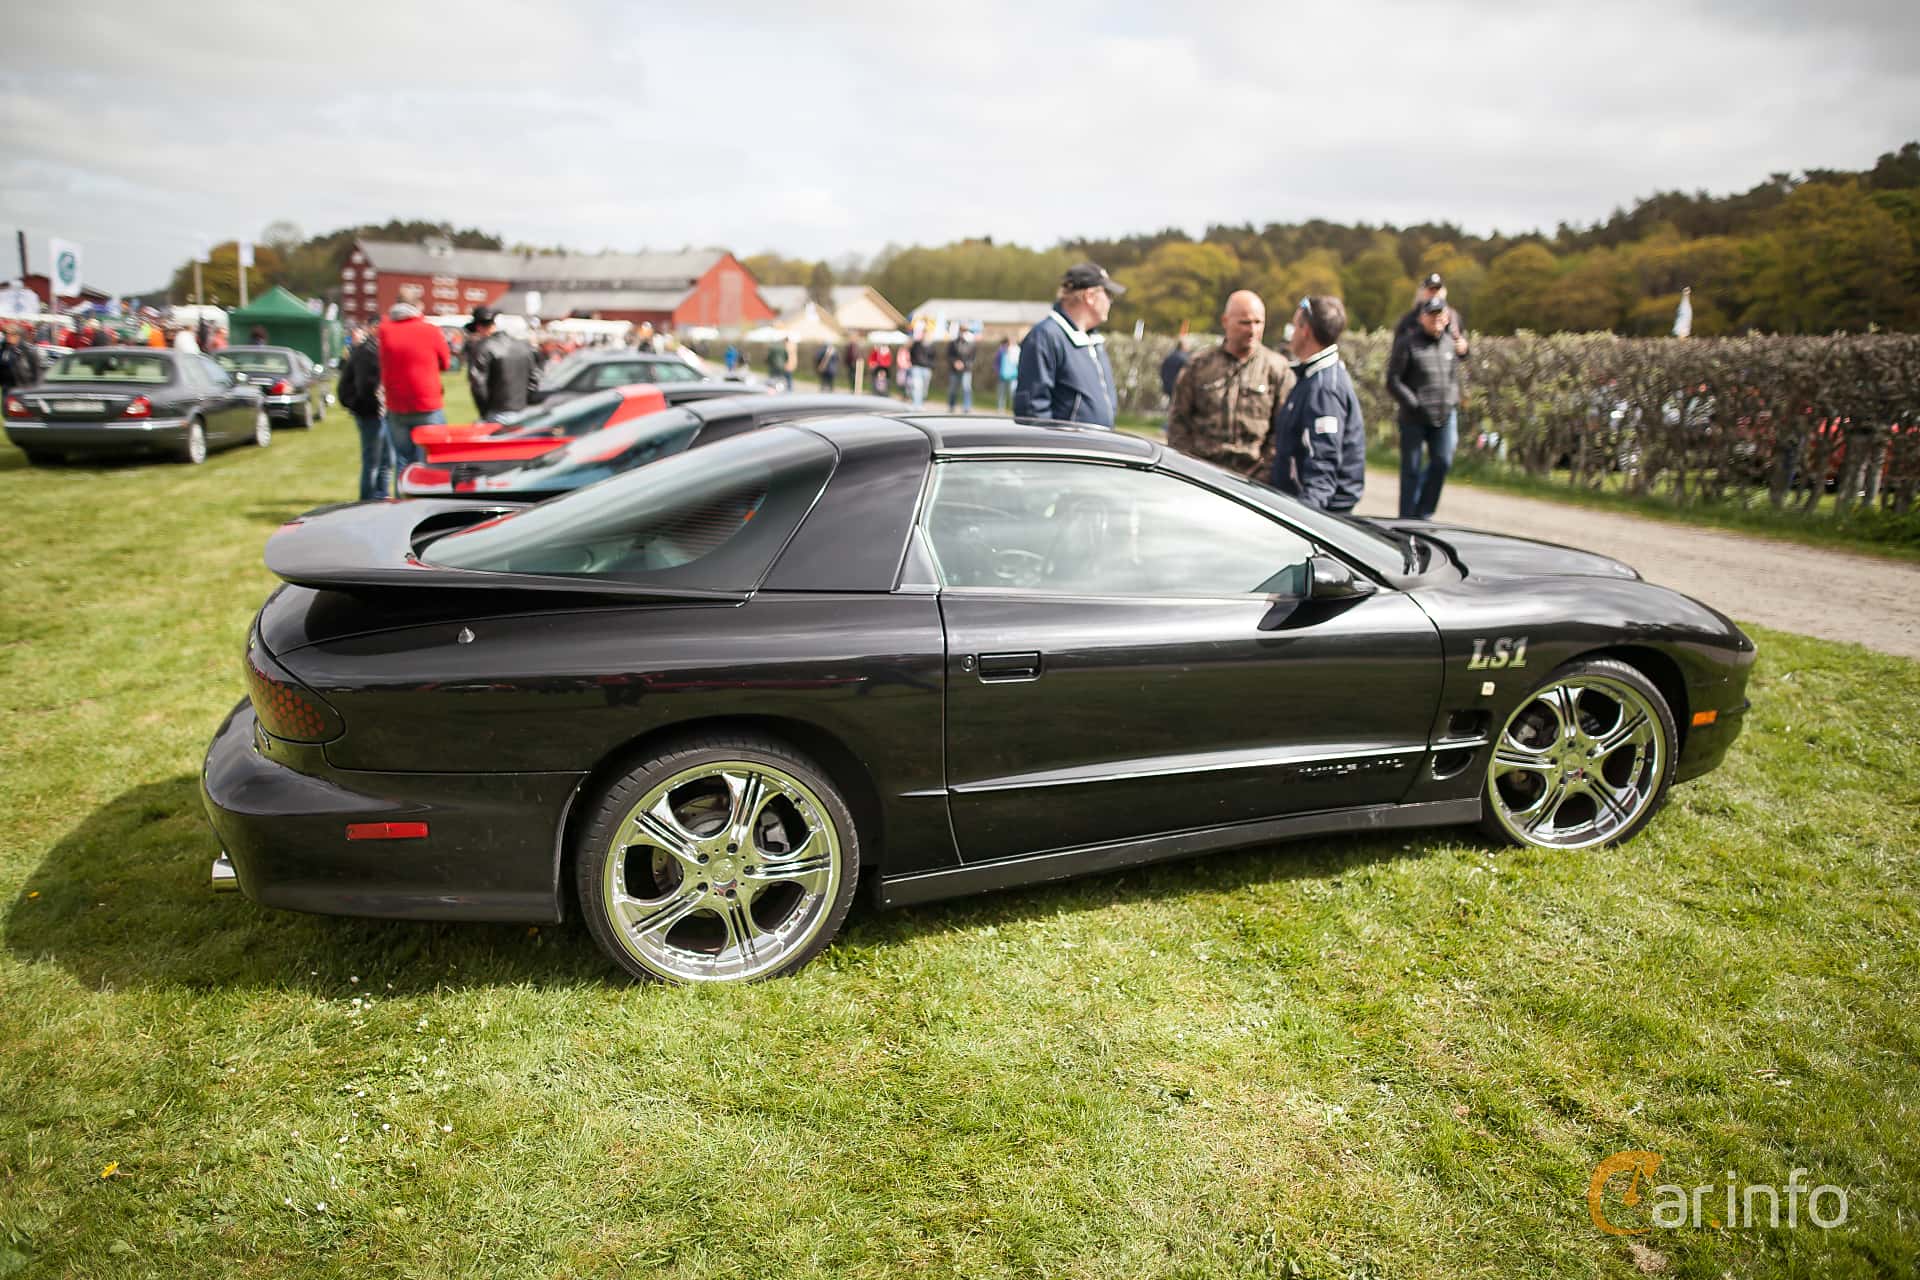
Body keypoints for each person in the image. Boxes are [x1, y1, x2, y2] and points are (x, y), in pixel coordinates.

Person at [1164, 290, 1295, 478]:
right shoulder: (1199, 366)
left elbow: (1282, 431)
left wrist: (1264, 470)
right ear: (1225, 321)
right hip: (1202, 475)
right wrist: (1188, 468)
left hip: (1255, 480)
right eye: (1245, 322)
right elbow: (1178, 423)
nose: (1252, 330)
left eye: (1258, 322)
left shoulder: (1277, 369)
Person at [1272, 296, 1365, 513]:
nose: (1290, 333)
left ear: (1306, 331)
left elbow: (1323, 466)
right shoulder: (1313, 376)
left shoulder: (1324, 387)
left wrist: (1303, 519)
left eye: (1294, 325)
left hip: (1320, 516)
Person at [1013, 262, 1124, 427]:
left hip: (1095, 448)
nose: (1110, 301)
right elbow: (1032, 409)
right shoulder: (1046, 336)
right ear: (1090, 296)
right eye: (1108, 294)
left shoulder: (1092, 339)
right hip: (1068, 450)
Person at [1386, 295, 1463, 519]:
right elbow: (1393, 380)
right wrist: (1413, 403)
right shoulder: (1408, 343)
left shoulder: (1450, 343)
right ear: (1421, 318)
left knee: (1442, 462)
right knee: (1411, 470)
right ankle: (1407, 518)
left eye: (1440, 314)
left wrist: (1451, 400)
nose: (1436, 319)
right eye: (1431, 314)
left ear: (1446, 317)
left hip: (1443, 415)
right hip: (1414, 418)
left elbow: (1453, 375)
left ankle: (1424, 514)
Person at [377, 301, 450, 474]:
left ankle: (404, 498)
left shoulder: (384, 331)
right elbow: (445, 363)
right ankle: (432, 496)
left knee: (404, 462)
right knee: (433, 459)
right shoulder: (430, 330)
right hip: (427, 402)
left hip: (396, 404)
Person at [337, 324, 391, 500]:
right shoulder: (368, 352)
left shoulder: (371, 350)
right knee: (374, 462)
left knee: (385, 460)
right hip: (370, 413)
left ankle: (381, 496)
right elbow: (366, 387)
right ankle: (368, 500)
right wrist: (378, 408)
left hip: (375, 410)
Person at [465, 306, 536, 422]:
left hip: (496, 411)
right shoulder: (523, 346)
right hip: (521, 410)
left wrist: (485, 411)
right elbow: (534, 379)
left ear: (479, 327)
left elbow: (477, 385)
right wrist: (522, 401)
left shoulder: (483, 347)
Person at [1394, 272, 1468, 359]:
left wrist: (1464, 350)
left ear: (1445, 292)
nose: (1435, 293)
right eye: (1431, 289)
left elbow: (1463, 351)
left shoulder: (1453, 317)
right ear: (1422, 292)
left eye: (1438, 289)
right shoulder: (1408, 320)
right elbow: (1397, 352)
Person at [946, 324, 977, 412]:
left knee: (966, 388)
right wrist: (955, 362)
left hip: (966, 370)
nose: (963, 333)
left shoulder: (972, 344)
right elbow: (949, 355)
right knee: (953, 389)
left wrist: (965, 364)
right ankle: (951, 406)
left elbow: (973, 358)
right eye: (962, 330)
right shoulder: (953, 343)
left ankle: (967, 407)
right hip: (954, 369)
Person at [0, 326, 41, 391]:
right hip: (5, 385)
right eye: (6, 334)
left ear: (18, 336)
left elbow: (35, 372)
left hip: (21, 385)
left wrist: (33, 387)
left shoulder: (28, 350)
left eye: (11, 334)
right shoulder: (4, 347)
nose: (8, 336)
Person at [1159, 333, 1192, 406]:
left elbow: (1162, 372)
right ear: (1183, 346)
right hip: (1179, 388)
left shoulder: (1169, 357)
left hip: (1168, 387)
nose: (1190, 346)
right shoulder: (1185, 359)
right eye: (1188, 344)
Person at [906, 326, 934, 407]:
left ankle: (921, 402)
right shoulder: (916, 343)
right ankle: (916, 404)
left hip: (927, 368)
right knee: (917, 386)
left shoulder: (931, 346)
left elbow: (933, 357)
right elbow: (909, 350)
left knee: (924, 388)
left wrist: (931, 366)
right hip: (916, 368)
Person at [994, 337, 1018, 413]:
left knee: (1013, 392)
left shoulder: (1015, 350)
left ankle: (1014, 408)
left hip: (1013, 375)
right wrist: (998, 371)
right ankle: (1001, 408)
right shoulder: (1001, 351)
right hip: (1002, 375)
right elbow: (996, 363)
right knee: (1002, 393)